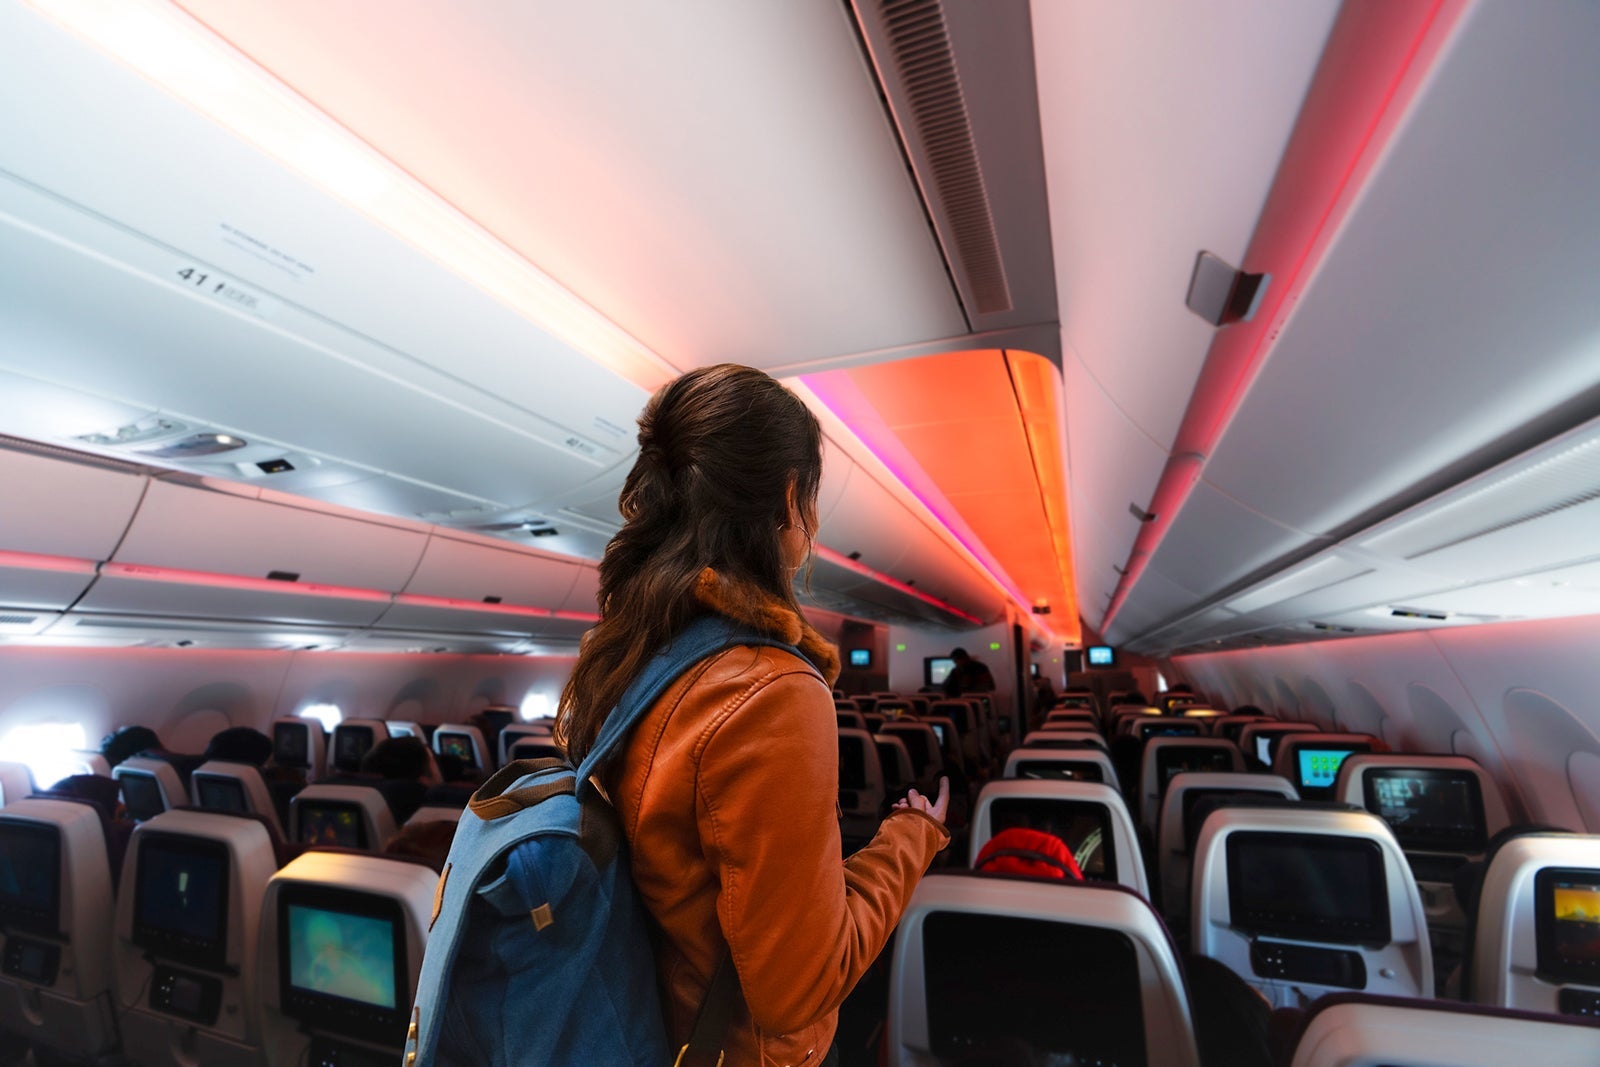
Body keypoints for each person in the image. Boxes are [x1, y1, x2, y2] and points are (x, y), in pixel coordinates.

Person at [557, 364, 950, 1066]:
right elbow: (798, 990)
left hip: (640, 1026)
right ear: (790, 498)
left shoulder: (622, 655)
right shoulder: (771, 692)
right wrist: (910, 839)